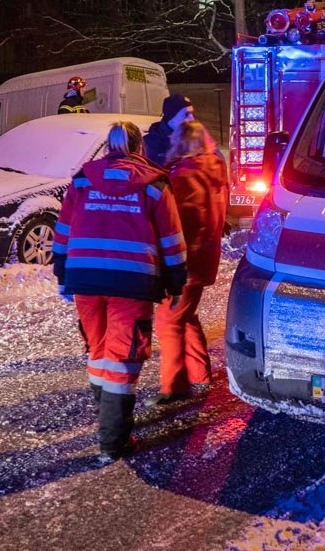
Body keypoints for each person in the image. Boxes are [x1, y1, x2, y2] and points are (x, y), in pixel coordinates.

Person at [51, 121, 187, 462]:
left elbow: (63, 229)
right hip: (132, 280)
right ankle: (113, 442)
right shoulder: (154, 185)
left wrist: (62, 271)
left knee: (98, 350)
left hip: (85, 278)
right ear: (139, 146)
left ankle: (108, 425)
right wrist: (176, 280)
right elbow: (171, 240)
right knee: (122, 359)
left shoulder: (83, 179)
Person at [152, 120, 228, 405]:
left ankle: (174, 385)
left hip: (185, 261)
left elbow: (175, 221)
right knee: (186, 315)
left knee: (168, 320)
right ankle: (199, 374)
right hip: (204, 258)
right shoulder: (214, 170)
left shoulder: (183, 176)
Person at [143, 93, 194, 167]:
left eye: (192, 114)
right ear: (171, 117)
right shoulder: (149, 145)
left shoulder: (196, 139)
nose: (192, 118)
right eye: (186, 114)